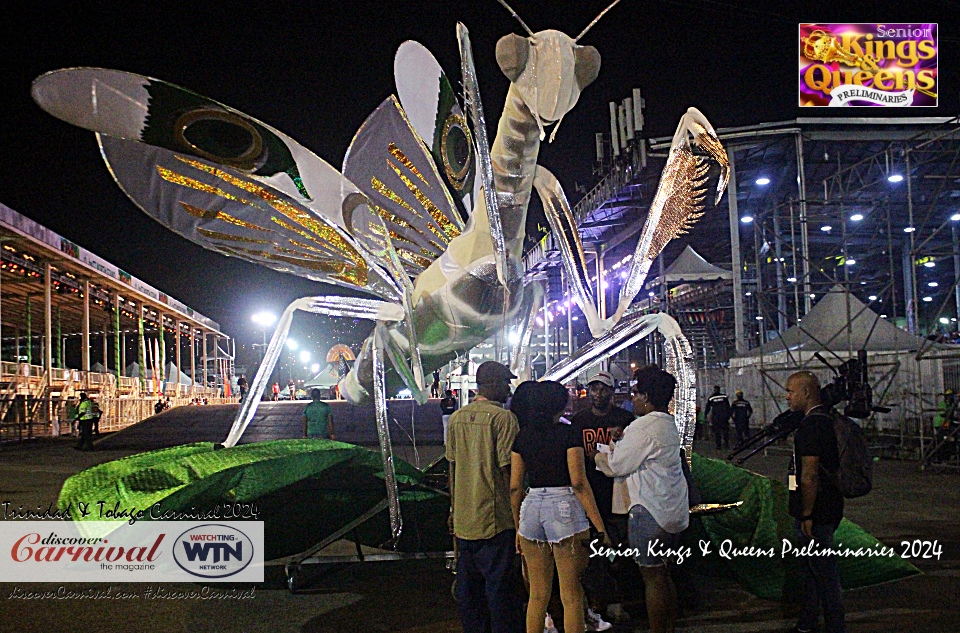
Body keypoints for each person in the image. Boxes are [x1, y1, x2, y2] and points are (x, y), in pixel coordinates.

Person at [510, 380, 609, 633]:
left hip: (531, 508)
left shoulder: (522, 437)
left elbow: (514, 487)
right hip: (563, 507)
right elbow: (578, 482)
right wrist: (599, 527)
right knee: (571, 595)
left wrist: (518, 528)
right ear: (561, 405)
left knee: (537, 595)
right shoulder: (568, 433)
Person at [596, 365, 688, 633]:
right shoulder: (667, 424)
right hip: (671, 510)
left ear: (646, 396)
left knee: (652, 578)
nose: (633, 398)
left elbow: (616, 466)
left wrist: (599, 456)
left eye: (636, 393)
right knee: (663, 573)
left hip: (649, 511)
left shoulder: (643, 427)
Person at [446, 361, 524, 633]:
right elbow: (508, 472)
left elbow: (452, 468)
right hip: (496, 520)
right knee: (501, 593)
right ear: (492, 384)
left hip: (465, 519)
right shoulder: (504, 419)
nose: (508, 388)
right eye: (505, 382)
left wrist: (453, 510)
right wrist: (519, 517)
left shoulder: (456, 419)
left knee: (470, 594)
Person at [785, 371, 845, 633]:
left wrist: (806, 513)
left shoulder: (812, 425)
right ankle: (807, 622)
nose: (787, 396)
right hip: (827, 506)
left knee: (823, 573)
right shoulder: (823, 421)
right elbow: (795, 471)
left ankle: (835, 625)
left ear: (806, 393)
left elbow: (808, 475)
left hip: (817, 512)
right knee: (810, 572)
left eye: (790, 391)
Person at [572, 371, 633, 628]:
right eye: (594, 389)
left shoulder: (625, 419)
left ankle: (619, 601)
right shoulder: (579, 420)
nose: (598, 394)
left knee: (620, 553)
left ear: (612, 391)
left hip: (619, 494)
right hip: (591, 496)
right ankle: (598, 602)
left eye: (603, 389)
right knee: (595, 554)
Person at [705, 385, 732, 450]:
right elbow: (728, 407)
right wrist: (728, 415)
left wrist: (705, 414)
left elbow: (708, 407)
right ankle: (725, 444)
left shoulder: (711, 398)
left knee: (718, 432)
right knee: (724, 431)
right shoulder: (724, 396)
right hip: (723, 417)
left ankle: (719, 446)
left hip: (716, 417)